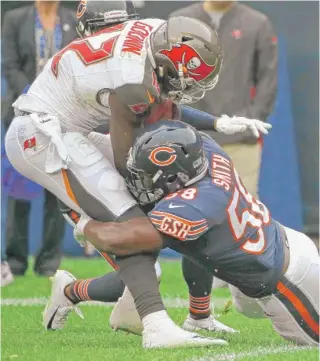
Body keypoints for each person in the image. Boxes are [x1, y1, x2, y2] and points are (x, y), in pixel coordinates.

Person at [5, 0, 271, 349]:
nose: (188, 85)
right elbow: (127, 163)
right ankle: (155, 325)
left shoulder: (156, 38)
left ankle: (95, 291)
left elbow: (161, 98)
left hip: (72, 128)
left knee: (144, 236)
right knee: (131, 217)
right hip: (40, 135)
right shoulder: (132, 80)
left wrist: (217, 122)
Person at [68, 120, 318, 346]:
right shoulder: (202, 147)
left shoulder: (196, 204)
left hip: (287, 280)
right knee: (205, 250)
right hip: (278, 245)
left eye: (146, 178)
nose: (139, 183)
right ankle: (199, 316)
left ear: (177, 177)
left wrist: (84, 223)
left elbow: (121, 241)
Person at [170, 0, 278, 291]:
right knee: (195, 208)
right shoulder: (180, 21)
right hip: (190, 138)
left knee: (245, 208)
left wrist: (251, 120)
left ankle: (244, 278)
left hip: (239, 138)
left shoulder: (257, 22)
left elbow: (268, 77)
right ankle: (203, 280)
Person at [1, 0, 78, 276]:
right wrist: (36, 95)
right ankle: (17, 261)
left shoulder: (72, 19)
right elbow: (9, 65)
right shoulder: (15, 18)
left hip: (62, 117)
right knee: (19, 190)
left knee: (57, 191)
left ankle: (48, 262)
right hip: (22, 113)